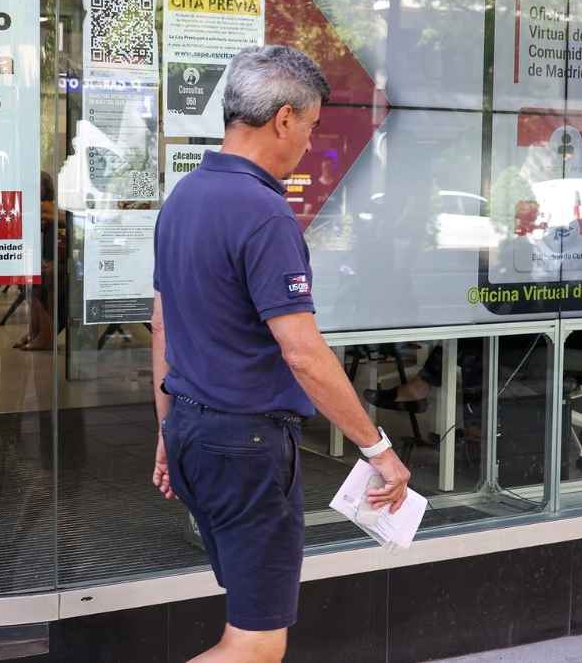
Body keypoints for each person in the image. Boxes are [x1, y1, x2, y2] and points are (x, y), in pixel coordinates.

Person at [151, 45, 411, 663]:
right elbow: (303, 354)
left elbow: (162, 326)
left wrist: (168, 430)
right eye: (313, 126)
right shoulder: (265, 213)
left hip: (193, 431)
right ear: (285, 119)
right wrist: (379, 449)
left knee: (245, 614)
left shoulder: (184, 197)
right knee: (257, 643)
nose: (309, 141)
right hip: (245, 448)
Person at [14, 173, 69, 350]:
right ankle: (35, 331)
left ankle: (45, 335)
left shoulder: (45, 207)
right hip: (53, 260)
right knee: (33, 275)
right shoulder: (45, 209)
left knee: (41, 277)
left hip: (65, 263)